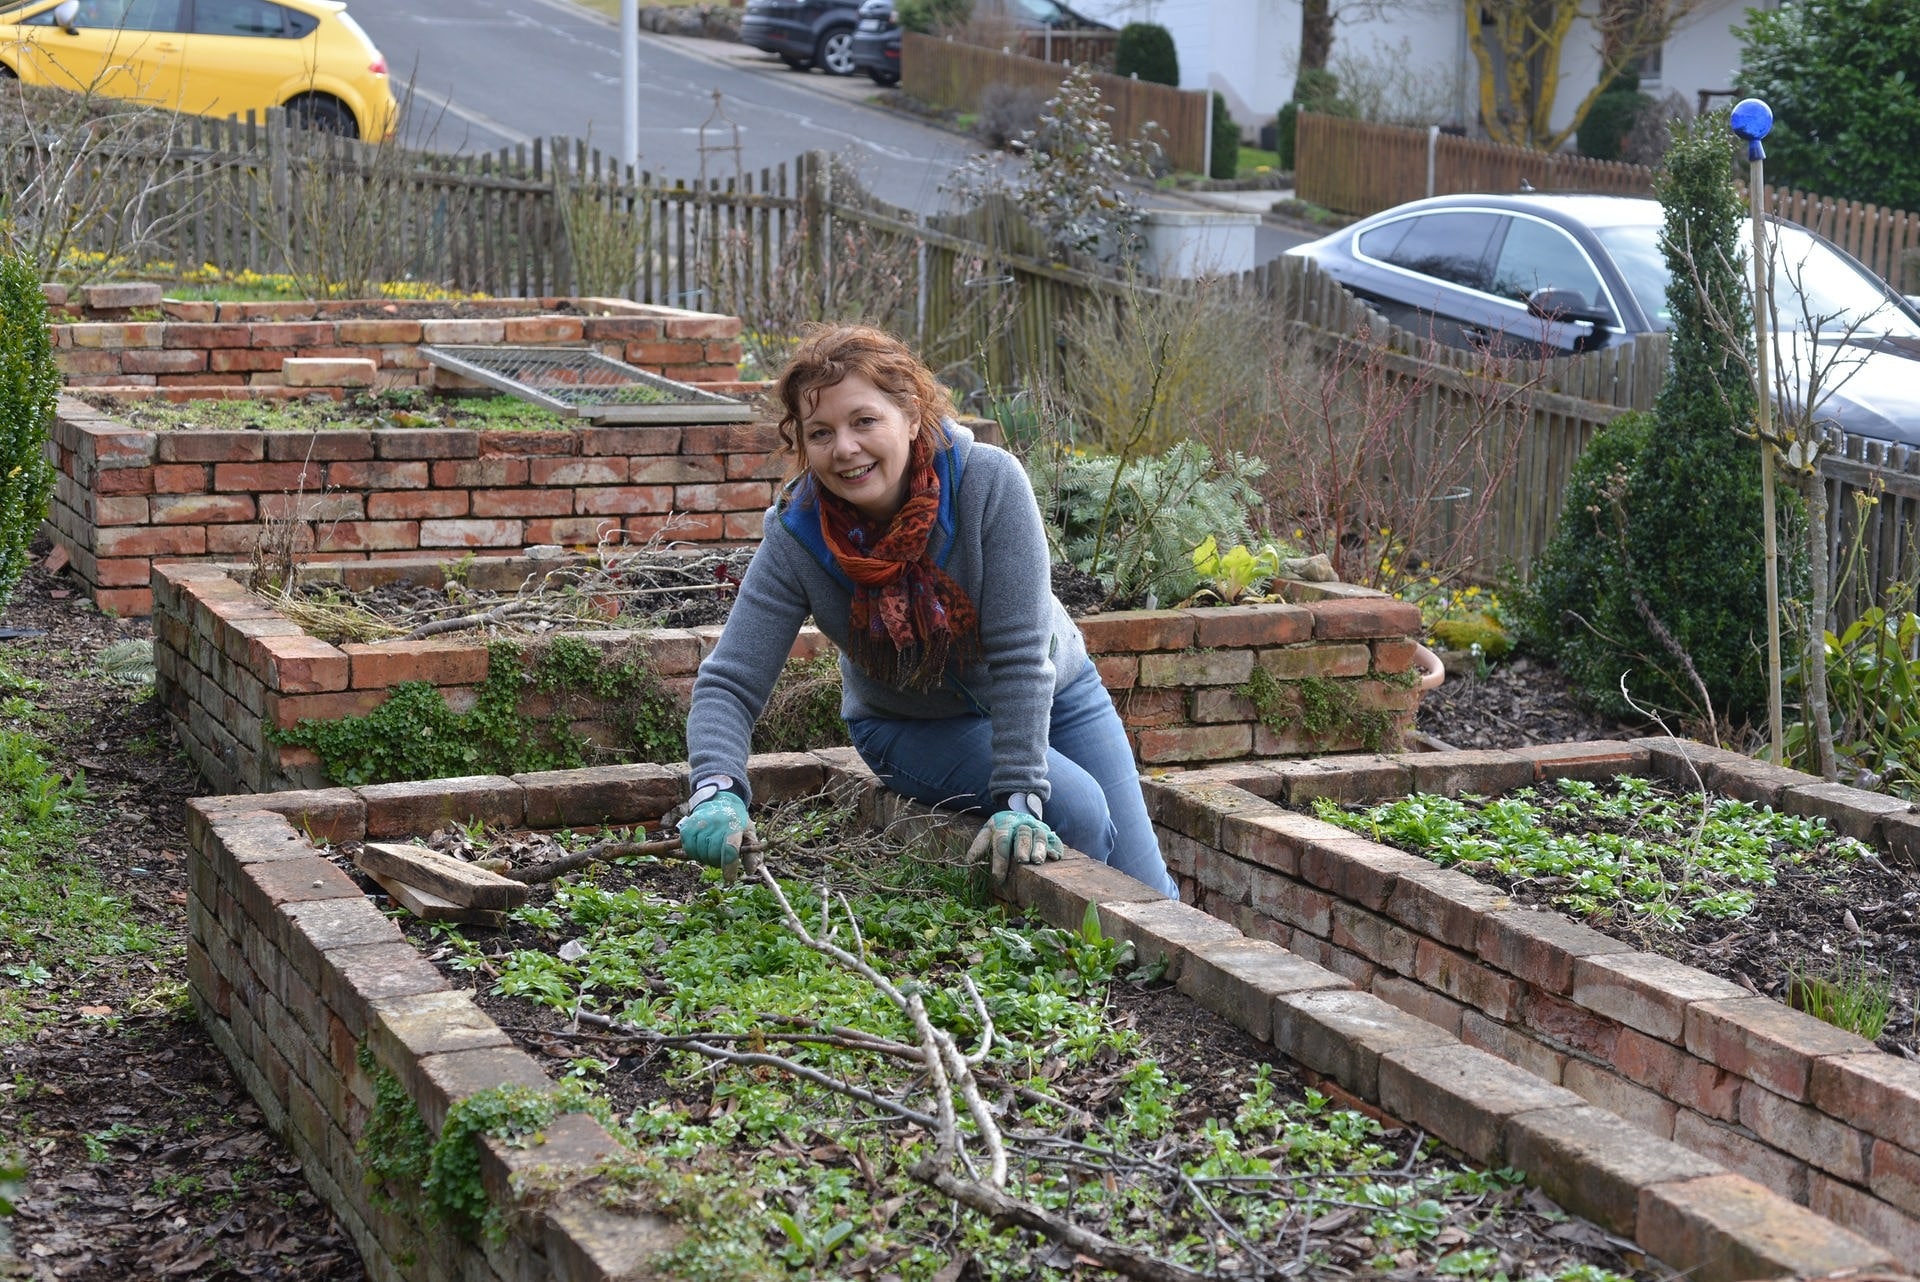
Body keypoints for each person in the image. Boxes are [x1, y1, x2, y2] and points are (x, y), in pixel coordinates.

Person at [675, 324, 1178, 899]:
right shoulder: (799, 534)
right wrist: (716, 788)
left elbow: (1021, 654)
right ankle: (1051, 972)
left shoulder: (988, 484)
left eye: (864, 421)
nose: (845, 448)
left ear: (911, 416)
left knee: (1150, 886)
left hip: (1056, 690)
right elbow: (731, 680)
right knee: (1078, 810)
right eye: (821, 432)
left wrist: (1018, 796)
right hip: (911, 725)